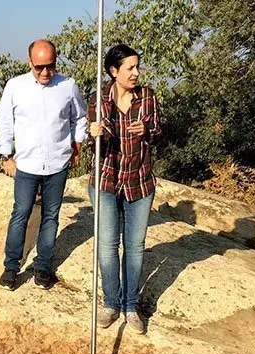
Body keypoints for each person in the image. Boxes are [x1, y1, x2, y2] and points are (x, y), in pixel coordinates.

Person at [0, 39, 87, 291]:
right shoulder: (15, 86)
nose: (46, 72)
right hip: (26, 164)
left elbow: (80, 117)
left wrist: (77, 144)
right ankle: (11, 267)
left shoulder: (68, 86)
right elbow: (5, 122)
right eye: (39, 67)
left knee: (51, 216)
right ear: (29, 63)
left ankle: (42, 266)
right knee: (20, 214)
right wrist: (7, 155)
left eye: (50, 66)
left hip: (57, 164)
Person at [88, 44, 162, 334]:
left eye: (137, 67)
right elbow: (97, 140)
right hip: (106, 181)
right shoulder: (99, 98)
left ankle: (131, 305)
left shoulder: (147, 97)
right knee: (107, 247)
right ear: (113, 71)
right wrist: (95, 133)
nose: (136, 73)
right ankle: (111, 302)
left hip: (139, 182)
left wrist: (148, 131)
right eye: (130, 68)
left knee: (134, 247)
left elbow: (158, 134)